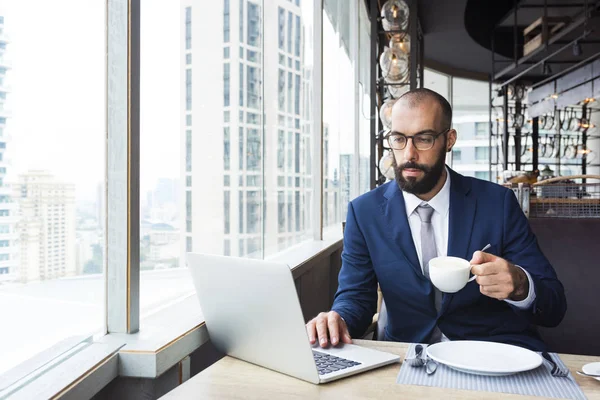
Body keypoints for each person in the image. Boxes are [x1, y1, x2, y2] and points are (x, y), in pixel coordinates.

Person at [305, 88, 566, 351]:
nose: (408, 154)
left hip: (491, 353)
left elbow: (554, 305)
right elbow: (355, 298)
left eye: (424, 139)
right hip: (406, 357)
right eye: (398, 139)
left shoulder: (497, 204)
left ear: (449, 139)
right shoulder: (364, 212)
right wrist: (337, 320)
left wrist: (520, 285)